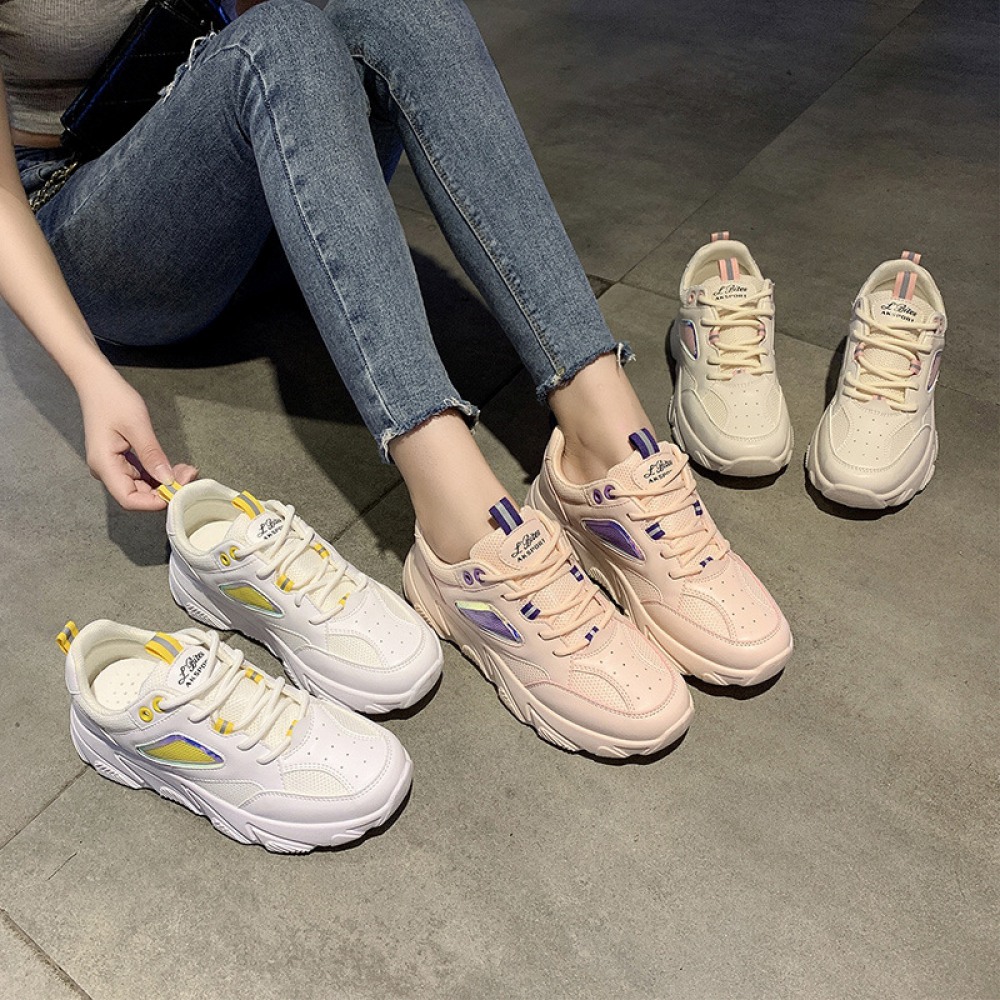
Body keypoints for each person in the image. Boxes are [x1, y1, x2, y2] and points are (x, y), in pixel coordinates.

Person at [1, 0, 790, 757]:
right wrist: (88, 372)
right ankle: (461, 531)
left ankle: (606, 446)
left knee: (398, 7)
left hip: (258, 177)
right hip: (100, 229)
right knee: (279, 41)